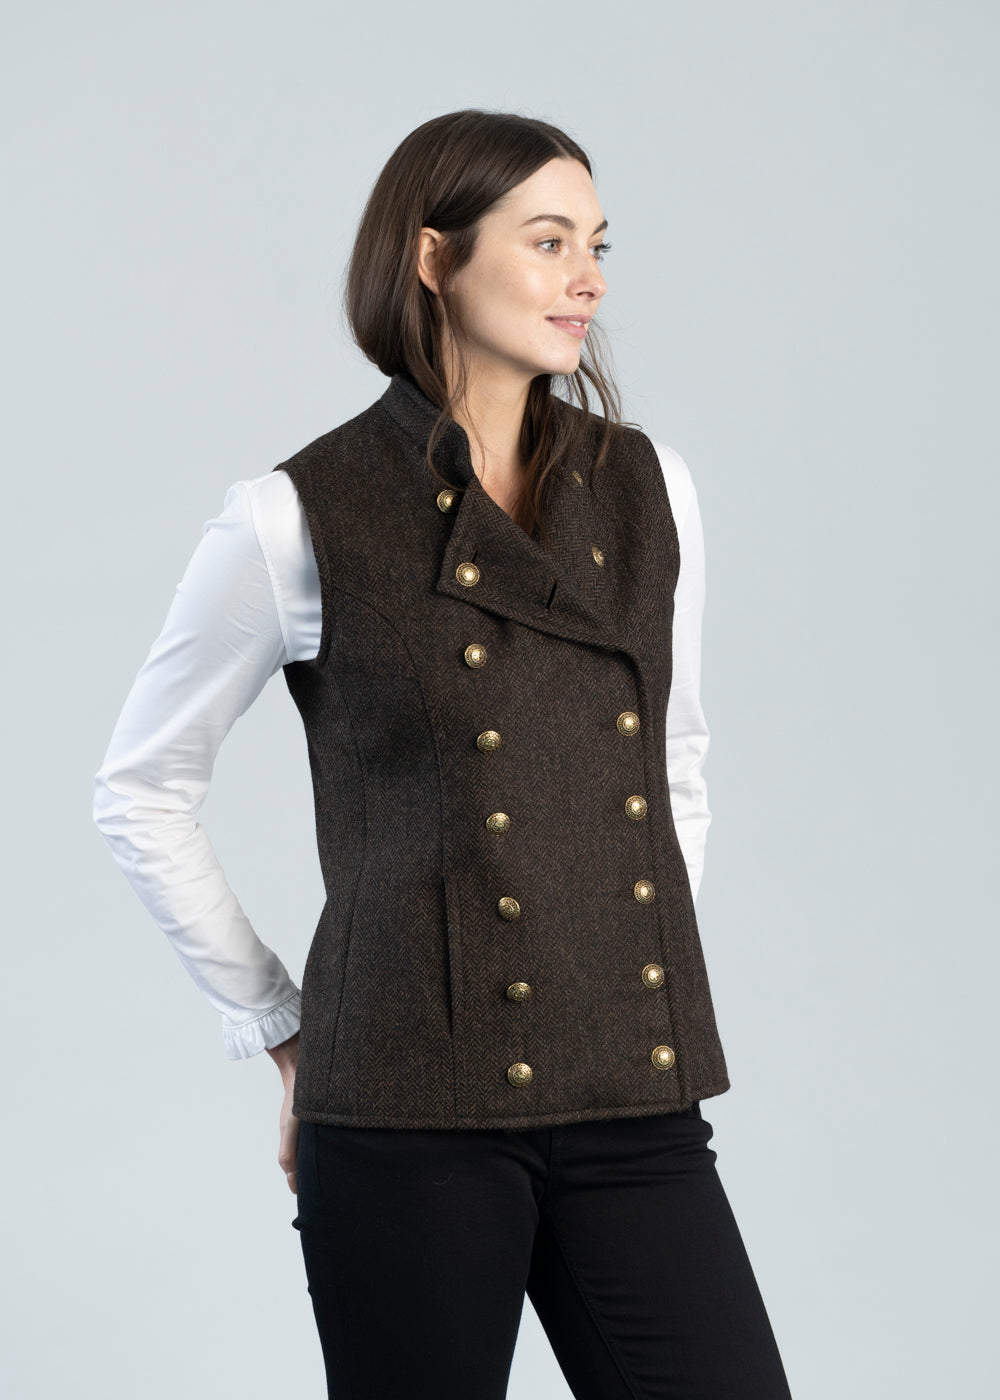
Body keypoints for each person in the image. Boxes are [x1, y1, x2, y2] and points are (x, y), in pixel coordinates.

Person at [93, 109, 794, 1400]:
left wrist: (611, 970)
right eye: (547, 241)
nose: (587, 277)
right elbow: (141, 789)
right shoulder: (294, 516)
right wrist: (282, 1029)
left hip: (630, 1095)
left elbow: (672, 767)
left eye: (597, 245)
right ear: (434, 257)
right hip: (404, 1114)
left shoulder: (653, 491)